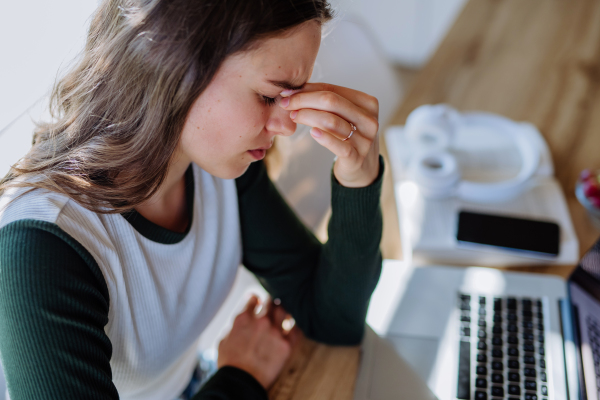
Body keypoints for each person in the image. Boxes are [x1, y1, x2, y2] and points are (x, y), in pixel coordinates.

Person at [0, 0, 383, 399]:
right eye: (270, 97)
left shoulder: (217, 169)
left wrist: (360, 177)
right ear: (173, 67)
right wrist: (241, 376)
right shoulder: (43, 244)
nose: (288, 126)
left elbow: (332, 319)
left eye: (294, 97)